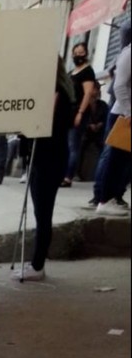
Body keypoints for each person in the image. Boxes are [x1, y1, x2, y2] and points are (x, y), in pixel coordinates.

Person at [15, 56, 77, 282]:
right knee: (40, 211)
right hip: (43, 157)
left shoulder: (58, 93)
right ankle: (36, 262)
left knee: (43, 213)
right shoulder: (53, 91)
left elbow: (45, 126)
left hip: (49, 158)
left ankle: (38, 264)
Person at [89, 23, 131, 215]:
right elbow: (119, 86)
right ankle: (104, 200)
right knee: (115, 160)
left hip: (126, 114)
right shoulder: (128, 54)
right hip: (123, 115)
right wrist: (129, 112)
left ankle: (113, 197)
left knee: (123, 162)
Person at [62, 42, 99, 187]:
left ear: (86, 54)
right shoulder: (72, 72)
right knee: (65, 144)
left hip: (79, 111)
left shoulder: (87, 72)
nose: (78, 56)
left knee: (73, 144)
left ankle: (68, 177)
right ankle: (62, 173)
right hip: (68, 111)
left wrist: (80, 112)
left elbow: (87, 93)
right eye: (75, 53)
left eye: (81, 53)